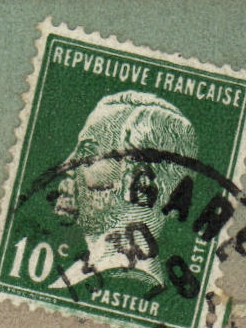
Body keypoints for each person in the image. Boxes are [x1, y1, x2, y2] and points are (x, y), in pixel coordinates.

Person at [51, 90, 199, 291]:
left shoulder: (123, 282)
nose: (66, 166)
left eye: (87, 153)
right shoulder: (83, 274)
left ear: (138, 181)